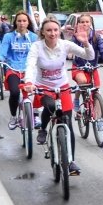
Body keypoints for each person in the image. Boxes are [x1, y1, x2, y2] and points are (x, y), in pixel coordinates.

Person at [22, 18, 94, 176]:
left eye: (55, 30)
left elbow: (89, 56)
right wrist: (29, 81)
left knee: (67, 124)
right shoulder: (37, 47)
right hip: (44, 87)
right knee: (52, 107)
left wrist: (86, 43)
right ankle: (42, 129)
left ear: (59, 31)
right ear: (42, 32)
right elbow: (31, 65)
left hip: (63, 87)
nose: (53, 33)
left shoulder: (65, 44)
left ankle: (71, 161)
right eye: (48, 30)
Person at [0, 11, 38, 129]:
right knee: (15, 92)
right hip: (13, 69)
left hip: (29, 70)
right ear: (15, 22)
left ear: (28, 23)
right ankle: (13, 117)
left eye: (24, 21)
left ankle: (35, 114)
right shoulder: (8, 36)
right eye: (19, 21)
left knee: (37, 91)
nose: (21, 23)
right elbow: (3, 52)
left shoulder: (33, 37)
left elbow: (39, 53)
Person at [70, 13, 103, 99]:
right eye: (82, 22)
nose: (85, 24)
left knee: (96, 90)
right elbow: (71, 46)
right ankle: (77, 99)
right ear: (78, 24)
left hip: (92, 67)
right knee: (82, 82)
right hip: (79, 67)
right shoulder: (76, 36)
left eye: (87, 21)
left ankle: (96, 110)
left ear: (91, 23)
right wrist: (70, 53)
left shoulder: (96, 36)